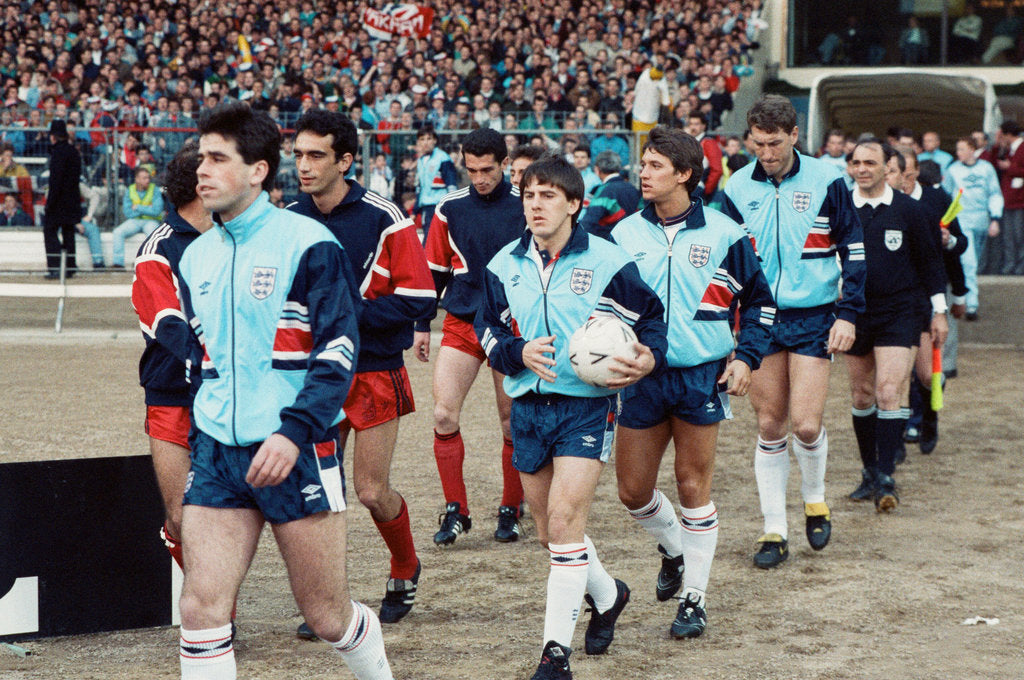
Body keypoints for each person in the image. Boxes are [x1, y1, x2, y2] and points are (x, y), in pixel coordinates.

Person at [175, 102, 392, 679]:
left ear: (258, 171)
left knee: (326, 617)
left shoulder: (309, 244)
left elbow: (338, 352)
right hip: (217, 453)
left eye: (218, 159)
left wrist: (294, 431)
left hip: (296, 450)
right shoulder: (195, 257)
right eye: (201, 158)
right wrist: (202, 431)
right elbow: (201, 360)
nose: (202, 170)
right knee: (200, 608)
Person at [475, 156, 667, 680]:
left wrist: (649, 357)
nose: (535, 205)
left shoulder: (608, 262)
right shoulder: (504, 264)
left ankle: (554, 655)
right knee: (548, 534)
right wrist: (515, 352)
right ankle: (608, 595)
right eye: (529, 196)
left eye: (548, 196)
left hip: (586, 408)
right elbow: (487, 329)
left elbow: (651, 320)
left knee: (564, 524)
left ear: (574, 204)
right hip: (527, 408)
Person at [611, 126, 774, 639]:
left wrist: (746, 357)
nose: (643, 173)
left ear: (684, 174)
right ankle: (676, 549)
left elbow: (760, 303)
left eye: (655, 166)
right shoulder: (622, 235)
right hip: (641, 377)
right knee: (632, 491)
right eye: (643, 164)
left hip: (702, 375)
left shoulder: (725, 234)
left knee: (691, 484)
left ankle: (694, 599)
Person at [286, 110, 435, 631]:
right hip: (314, 375)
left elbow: (420, 297)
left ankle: (405, 564)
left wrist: (346, 316)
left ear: (345, 161)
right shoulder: (287, 218)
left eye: (316, 155)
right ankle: (330, 602)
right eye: (298, 155)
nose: (303, 166)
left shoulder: (384, 216)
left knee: (371, 491)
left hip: (373, 369)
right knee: (320, 494)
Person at [721, 95, 866, 569]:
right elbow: (727, 263)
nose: (766, 153)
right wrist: (726, 329)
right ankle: (774, 529)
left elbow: (854, 248)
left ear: (795, 135)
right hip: (760, 317)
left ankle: (816, 500)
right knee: (769, 423)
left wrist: (848, 313)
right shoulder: (736, 186)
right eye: (758, 143)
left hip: (815, 314)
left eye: (775, 143)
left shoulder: (827, 178)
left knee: (805, 424)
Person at [416, 128, 528, 545]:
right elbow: (435, 270)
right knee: (443, 414)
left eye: (488, 170)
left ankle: (511, 509)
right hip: (462, 321)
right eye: (472, 169)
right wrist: (421, 324)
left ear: (505, 164)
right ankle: (456, 510)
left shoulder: (526, 204)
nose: (479, 178)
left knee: (511, 422)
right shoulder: (449, 207)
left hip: (510, 326)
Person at [845, 139, 947, 510]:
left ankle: (887, 476)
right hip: (854, 311)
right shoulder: (840, 207)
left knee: (889, 390)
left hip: (899, 311)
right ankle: (869, 471)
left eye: (870, 162)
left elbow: (930, 262)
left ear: (888, 167)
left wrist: (939, 310)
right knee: (862, 395)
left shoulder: (910, 210)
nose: (862, 169)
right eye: (856, 162)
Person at [130, 140, 213, 580]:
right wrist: (216, 361)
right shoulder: (158, 248)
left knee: (227, 513)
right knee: (181, 519)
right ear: (200, 186)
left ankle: (214, 603)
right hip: (172, 395)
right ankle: (213, 604)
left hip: (224, 396)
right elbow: (169, 326)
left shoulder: (234, 239)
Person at [895, 147, 968, 455]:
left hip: (930, 291)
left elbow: (960, 244)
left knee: (926, 373)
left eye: (905, 173)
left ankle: (929, 417)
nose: (900, 179)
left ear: (914, 172)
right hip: (895, 295)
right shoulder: (884, 203)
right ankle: (898, 432)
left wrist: (949, 242)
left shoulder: (936, 200)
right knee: (898, 372)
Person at [943, 136, 1002, 320]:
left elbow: (994, 193)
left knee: (975, 261)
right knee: (969, 262)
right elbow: (945, 194)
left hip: (982, 220)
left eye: (962, 149)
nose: (958, 153)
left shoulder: (986, 168)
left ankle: (968, 295)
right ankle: (971, 304)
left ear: (971, 149)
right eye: (957, 149)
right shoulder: (953, 170)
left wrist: (995, 218)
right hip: (962, 220)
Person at [43, 118, 81, 279]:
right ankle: (70, 266)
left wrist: (49, 203)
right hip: (73, 200)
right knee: (68, 233)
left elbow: (55, 181)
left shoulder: (57, 153)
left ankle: (56, 266)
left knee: (49, 231)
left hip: (58, 202)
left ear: (53, 136)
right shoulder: (74, 151)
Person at [578, 150, 641, 241]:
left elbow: (589, 222)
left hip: (607, 242)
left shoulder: (603, 190)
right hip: (633, 240)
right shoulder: (633, 188)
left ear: (597, 170)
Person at [111, 167, 165, 269]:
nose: (147, 180)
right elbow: (127, 212)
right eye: (144, 178)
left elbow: (157, 211)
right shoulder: (130, 189)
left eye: (148, 178)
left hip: (151, 220)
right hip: (135, 220)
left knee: (153, 235)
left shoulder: (155, 189)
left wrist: (137, 207)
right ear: (137, 179)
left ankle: (152, 263)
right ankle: (118, 263)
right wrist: (147, 208)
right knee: (117, 232)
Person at [415, 126, 458, 242]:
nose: (426, 142)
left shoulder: (443, 158)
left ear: (434, 140)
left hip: (439, 204)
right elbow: (420, 186)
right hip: (426, 206)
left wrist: (453, 204)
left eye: (429, 139)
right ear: (418, 142)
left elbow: (451, 183)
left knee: (434, 239)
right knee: (429, 236)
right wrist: (415, 210)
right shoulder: (420, 161)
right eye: (422, 139)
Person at [995, 121, 1024, 276]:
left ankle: (1020, 267)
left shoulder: (1022, 148)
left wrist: (1010, 167)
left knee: (1019, 236)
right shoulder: (1008, 150)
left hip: (1020, 200)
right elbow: (994, 160)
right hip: (1007, 199)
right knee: (1008, 236)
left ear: (1008, 134)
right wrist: (999, 145)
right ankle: (1009, 265)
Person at [685, 113, 723, 204]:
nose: (693, 127)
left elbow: (717, 170)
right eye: (691, 124)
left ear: (703, 126)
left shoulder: (708, 143)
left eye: (696, 124)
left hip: (699, 189)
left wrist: (707, 190)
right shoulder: (690, 141)